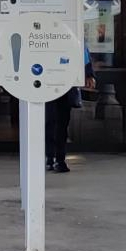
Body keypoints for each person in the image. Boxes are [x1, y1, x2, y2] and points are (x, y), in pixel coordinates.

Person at [46, 45, 98, 173]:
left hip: (64, 82)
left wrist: (89, 74)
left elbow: (83, 51)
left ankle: (57, 158)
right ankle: (52, 158)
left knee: (59, 123)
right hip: (48, 81)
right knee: (52, 122)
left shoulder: (73, 31)